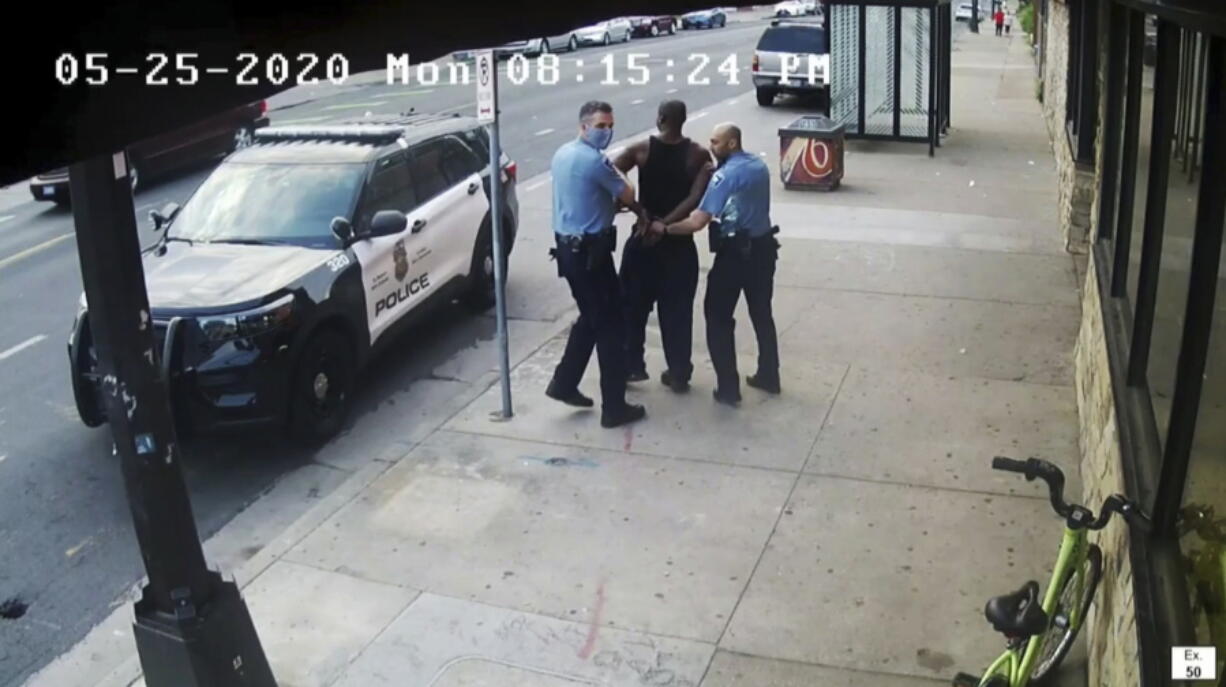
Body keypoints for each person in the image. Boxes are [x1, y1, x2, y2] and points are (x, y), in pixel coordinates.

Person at [647, 123, 779, 407]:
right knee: (762, 313)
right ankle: (769, 374)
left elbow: (698, 220)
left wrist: (664, 228)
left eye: (716, 142)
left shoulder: (727, 175)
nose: (711, 147)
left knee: (717, 317)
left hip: (734, 256)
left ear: (732, 144)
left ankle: (728, 388)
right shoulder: (758, 166)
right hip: (764, 250)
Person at [545, 100, 649, 428]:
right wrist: (614, 172)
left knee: (592, 317)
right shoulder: (595, 162)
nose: (606, 131)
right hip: (591, 257)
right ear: (584, 126)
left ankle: (564, 383)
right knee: (611, 327)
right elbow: (629, 193)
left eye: (609, 126)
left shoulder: (563, 153)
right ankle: (614, 407)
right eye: (600, 126)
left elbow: (586, 195)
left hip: (570, 252)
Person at [612, 100, 715, 393]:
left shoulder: (640, 150)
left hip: (643, 241)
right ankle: (679, 372)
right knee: (677, 313)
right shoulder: (697, 155)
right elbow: (695, 197)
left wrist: (640, 212)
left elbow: (613, 174)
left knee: (632, 307)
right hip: (679, 244)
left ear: (659, 119)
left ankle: (632, 365)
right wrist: (666, 225)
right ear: (684, 120)